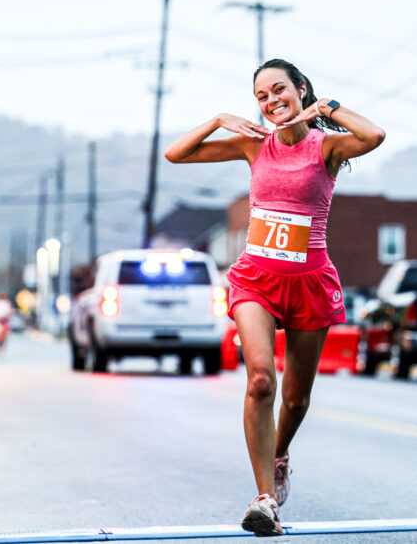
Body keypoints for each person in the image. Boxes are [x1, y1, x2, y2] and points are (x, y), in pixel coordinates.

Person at [165, 58, 385, 536]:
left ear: (299, 89)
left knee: (297, 398)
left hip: (309, 282)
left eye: (279, 90)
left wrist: (325, 108)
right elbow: (176, 154)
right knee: (261, 379)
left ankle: (280, 454)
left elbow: (374, 136)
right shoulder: (253, 145)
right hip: (256, 281)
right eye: (261, 96)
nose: (271, 102)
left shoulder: (325, 147)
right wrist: (220, 119)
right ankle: (265, 499)